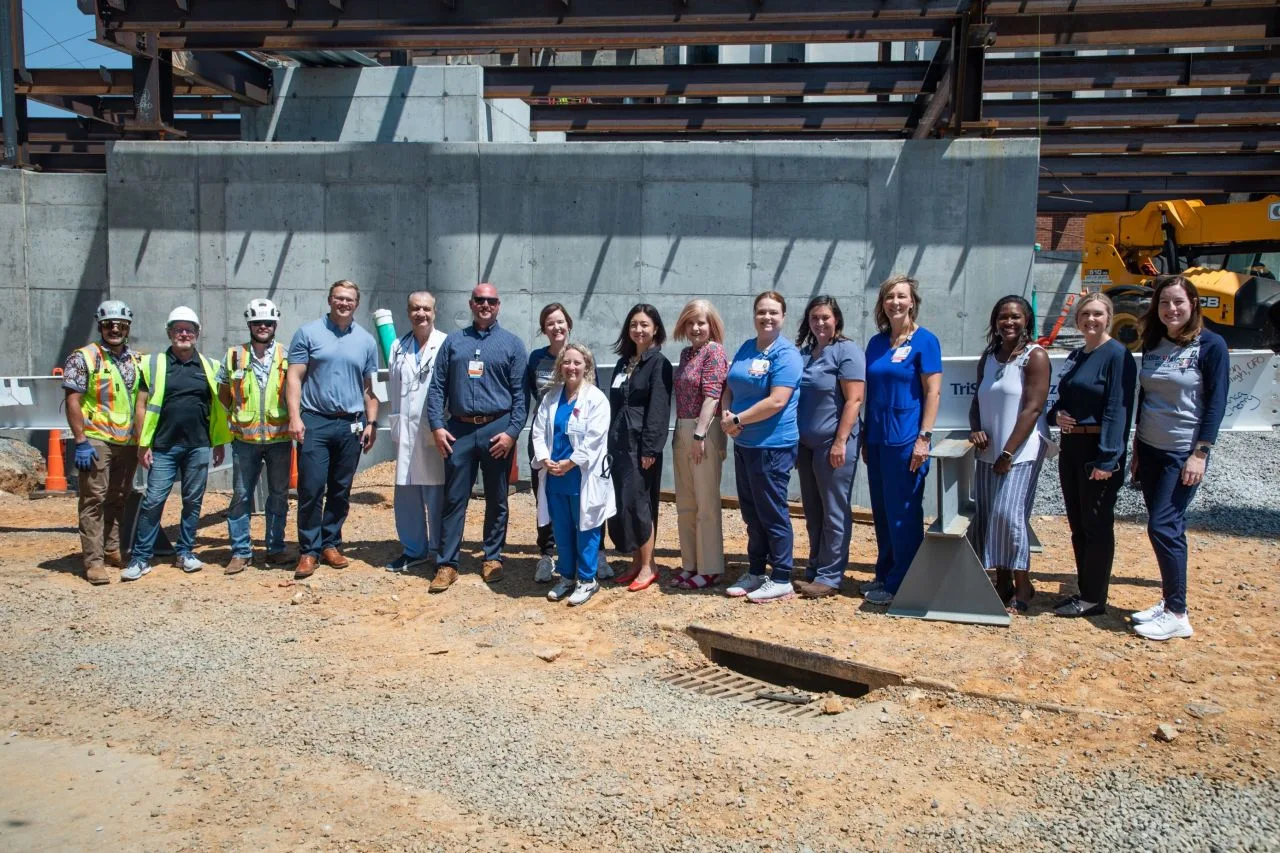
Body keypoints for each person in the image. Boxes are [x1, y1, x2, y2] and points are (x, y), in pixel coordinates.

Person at [1129, 275, 1228, 641]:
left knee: (1162, 526)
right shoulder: (1153, 343)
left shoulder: (1211, 345)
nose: (1172, 309)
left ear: (1193, 304)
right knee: (1167, 528)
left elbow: (1216, 403)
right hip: (1150, 450)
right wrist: (1137, 447)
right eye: (1165, 303)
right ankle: (1170, 600)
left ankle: (1177, 614)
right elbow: (1145, 397)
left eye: (1178, 302)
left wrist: (1200, 453)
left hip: (1182, 453)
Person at [426, 283, 528, 593]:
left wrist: (511, 433)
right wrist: (436, 425)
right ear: (471, 304)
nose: (485, 305)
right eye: (479, 300)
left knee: (497, 497)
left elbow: (520, 397)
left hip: (496, 429)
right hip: (458, 430)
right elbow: (436, 388)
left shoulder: (512, 344)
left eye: (491, 301)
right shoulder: (454, 342)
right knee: (454, 498)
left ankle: (492, 557)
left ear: (498, 305)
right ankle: (447, 564)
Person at [123, 307, 231, 581]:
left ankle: (185, 552)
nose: (184, 334)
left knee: (192, 501)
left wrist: (218, 443)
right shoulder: (153, 364)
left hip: (198, 445)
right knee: (154, 501)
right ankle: (141, 557)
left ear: (197, 334)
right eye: (178, 329)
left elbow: (217, 407)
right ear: (170, 333)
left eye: (189, 329)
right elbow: (142, 405)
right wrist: (142, 443)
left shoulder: (210, 366)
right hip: (163, 445)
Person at [1047, 293, 1137, 618]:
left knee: (1096, 525)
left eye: (1098, 314)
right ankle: (1085, 591)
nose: (1091, 320)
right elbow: (1061, 400)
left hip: (1097, 451)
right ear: (1077, 320)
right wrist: (1054, 417)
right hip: (1071, 448)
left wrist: (1107, 459)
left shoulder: (1117, 355)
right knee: (1078, 524)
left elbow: (1117, 409)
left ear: (1109, 317)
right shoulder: (1077, 354)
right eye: (1085, 314)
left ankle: (1095, 598)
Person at [286, 280, 380, 580]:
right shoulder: (308, 333)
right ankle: (308, 551)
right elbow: (294, 378)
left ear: (357, 303)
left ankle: (331, 543)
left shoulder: (365, 340)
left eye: (350, 299)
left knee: (341, 489)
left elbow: (370, 386)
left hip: (350, 425)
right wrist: (294, 417)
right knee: (311, 488)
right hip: (315, 421)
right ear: (330, 300)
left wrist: (371, 422)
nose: (344, 303)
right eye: (339, 298)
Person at [861, 275, 942, 607]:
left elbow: (933, 391)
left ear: (912, 302)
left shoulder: (926, 341)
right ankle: (885, 573)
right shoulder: (876, 344)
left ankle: (902, 582)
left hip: (907, 439)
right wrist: (866, 436)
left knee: (904, 513)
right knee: (881, 510)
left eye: (901, 296)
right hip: (878, 438)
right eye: (889, 297)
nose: (895, 302)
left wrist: (924, 437)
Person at [968, 295, 1051, 615]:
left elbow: (1032, 409)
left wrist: (1008, 452)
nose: (1009, 322)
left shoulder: (1035, 356)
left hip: (1020, 453)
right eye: (1003, 317)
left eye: (1015, 317)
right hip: (988, 453)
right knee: (989, 517)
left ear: (1026, 320)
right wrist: (975, 428)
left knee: (1008, 516)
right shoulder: (989, 356)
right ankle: (1002, 583)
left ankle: (1023, 584)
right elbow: (977, 400)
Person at [721, 291, 804, 603]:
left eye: (773, 313)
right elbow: (729, 386)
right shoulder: (746, 347)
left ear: (782, 317)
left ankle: (782, 576)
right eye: (762, 312)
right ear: (754, 315)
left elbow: (777, 400)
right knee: (751, 512)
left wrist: (738, 418)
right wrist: (728, 415)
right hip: (744, 443)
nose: (767, 318)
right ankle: (756, 571)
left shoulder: (786, 355)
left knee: (772, 512)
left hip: (773, 446)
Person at [62, 300, 142, 585]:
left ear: (128, 328)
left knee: (119, 496)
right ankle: (93, 560)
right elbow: (72, 399)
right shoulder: (84, 357)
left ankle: (112, 548)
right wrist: (80, 440)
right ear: (100, 326)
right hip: (96, 438)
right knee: (93, 498)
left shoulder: (136, 360)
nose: (115, 330)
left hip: (128, 441)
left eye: (120, 325)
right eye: (109, 325)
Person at [532, 344, 615, 607]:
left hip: (581, 475)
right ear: (560, 366)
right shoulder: (551, 397)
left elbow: (595, 439)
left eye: (577, 363)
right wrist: (545, 458)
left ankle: (588, 580)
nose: (571, 367)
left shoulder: (596, 399)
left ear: (587, 367)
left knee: (586, 528)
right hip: (555, 475)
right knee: (562, 529)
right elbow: (538, 430)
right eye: (566, 362)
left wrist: (570, 462)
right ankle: (567, 576)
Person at [794, 296, 865, 598]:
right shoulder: (805, 354)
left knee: (834, 510)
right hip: (806, 446)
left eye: (825, 317)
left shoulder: (846, 351)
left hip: (833, 445)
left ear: (836, 319)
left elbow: (854, 400)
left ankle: (830, 575)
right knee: (813, 510)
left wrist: (840, 441)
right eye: (814, 318)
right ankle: (814, 567)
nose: (820, 323)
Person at [217, 298, 292, 575]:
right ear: (249, 324)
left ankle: (275, 548)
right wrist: (240, 414)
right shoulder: (235, 355)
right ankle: (241, 551)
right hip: (245, 440)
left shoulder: (287, 354)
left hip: (280, 437)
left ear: (275, 325)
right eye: (258, 322)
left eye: (268, 323)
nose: (263, 327)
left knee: (279, 495)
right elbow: (223, 391)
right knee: (241, 495)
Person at [606, 303, 674, 592]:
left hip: (641, 446)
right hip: (619, 442)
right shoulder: (624, 363)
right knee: (625, 503)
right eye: (634, 324)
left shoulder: (659, 364)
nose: (639, 329)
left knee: (641, 503)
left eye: (644, 324)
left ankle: (649, 565)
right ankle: (636, 562)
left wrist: (650, 449)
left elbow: (659, 410)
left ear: (655, 328)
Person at [386, 291, 448, 574]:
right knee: (406, 491)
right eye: (415, 308)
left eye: (426, 309)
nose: (420, 313)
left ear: (434, 312)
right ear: (408, 312)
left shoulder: (446, 344)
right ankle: (413, 549)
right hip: (406, 428)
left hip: (433, 430)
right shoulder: (398, 345)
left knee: (436, 492)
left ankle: (438, 550)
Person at [669, 299, 729, 590]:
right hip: (681, 426)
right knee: (686, 503)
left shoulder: (714, 352)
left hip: (703, 429)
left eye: (701, 322)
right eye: (691, 322)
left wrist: (699, 435)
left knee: (706, 503)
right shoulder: (686, 353)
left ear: (711, 325)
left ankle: (710, 567)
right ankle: (690, 563)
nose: (696, 328)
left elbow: (712, 395)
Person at [523, 303, 574, 583]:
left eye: (560, 322)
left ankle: (589, 552)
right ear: (544, 329)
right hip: (543, 438)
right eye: (550, 323)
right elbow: (531, 394)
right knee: (544, 495)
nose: (556, 327)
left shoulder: (579, 355)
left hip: (572, 440)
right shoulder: (536, 359)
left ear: (569, 324)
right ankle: (547, 555)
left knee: (578, 496)